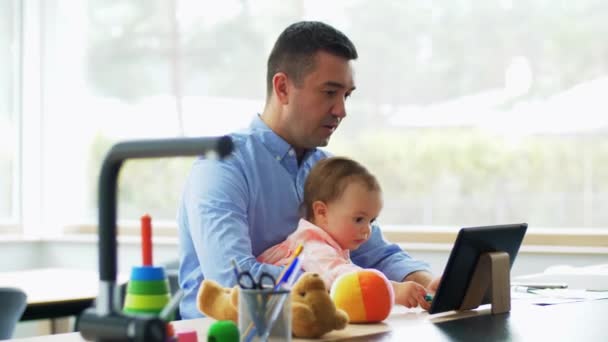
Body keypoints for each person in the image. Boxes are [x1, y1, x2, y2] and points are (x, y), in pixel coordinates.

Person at [177, 20, 439, 319]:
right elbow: (234, 280)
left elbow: (374, 251)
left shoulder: (326, 168)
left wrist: (426, 283)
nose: (341, 110)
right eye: (329, 92)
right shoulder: (221, 166)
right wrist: (349, 285)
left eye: (346, 95)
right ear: (283, 87)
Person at [258, 156, 431, 308]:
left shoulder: (329, 245)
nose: (367, 230)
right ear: (321, 212)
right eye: (358, 219)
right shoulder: (311, 247)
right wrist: (394, 290)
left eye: (372, 221)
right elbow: (345, 280)